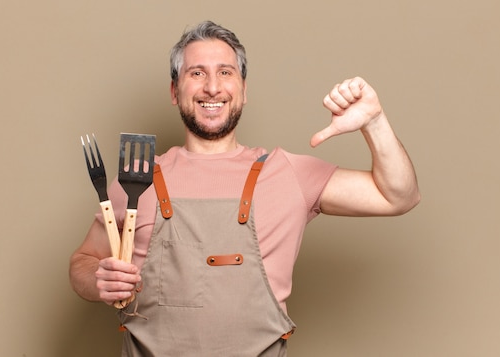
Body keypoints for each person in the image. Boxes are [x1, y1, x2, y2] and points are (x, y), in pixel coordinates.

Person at [70, 20, 420, 356]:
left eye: (225, 72)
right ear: (175, 92)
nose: (212, 87)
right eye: (197, 73)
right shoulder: (136, 179)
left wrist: (374, 123)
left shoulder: (288, 173)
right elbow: (83, 262)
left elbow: (399, 196)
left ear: (243, 89)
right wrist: (97, 280)